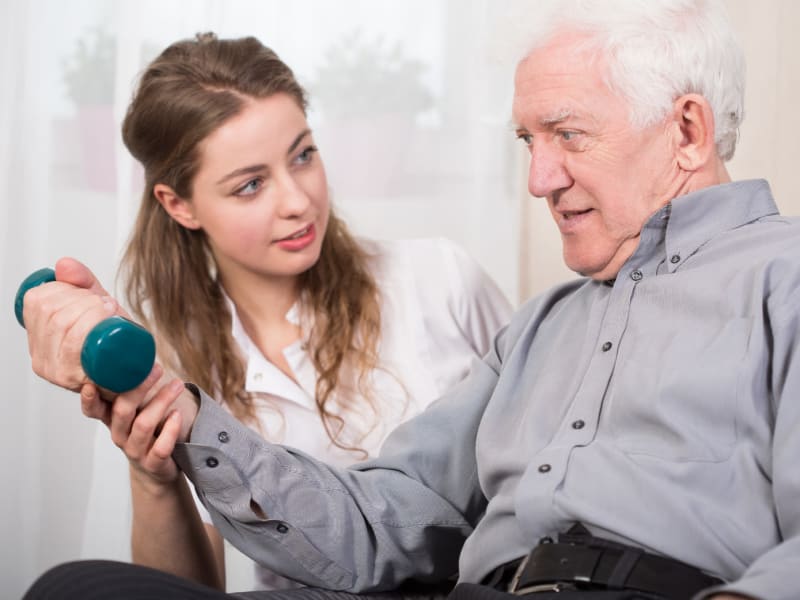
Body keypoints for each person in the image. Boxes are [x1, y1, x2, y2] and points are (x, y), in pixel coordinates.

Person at [21, 0, 797, 599]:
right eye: (530, 141)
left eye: (567, 134)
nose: (539, 179)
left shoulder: (781, 280)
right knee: (76, 589)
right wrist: (176, 408)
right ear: (179, 205)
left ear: (687, 130)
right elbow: (379, 526)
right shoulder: (542, 327)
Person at [22, 32, 512, 594]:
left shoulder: (441, 279)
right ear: (178, 205)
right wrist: (153, 477)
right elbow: (187, 591)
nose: (297, 200)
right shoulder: (160, 360)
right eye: (251, 185)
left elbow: (547, 457)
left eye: (303, 155)